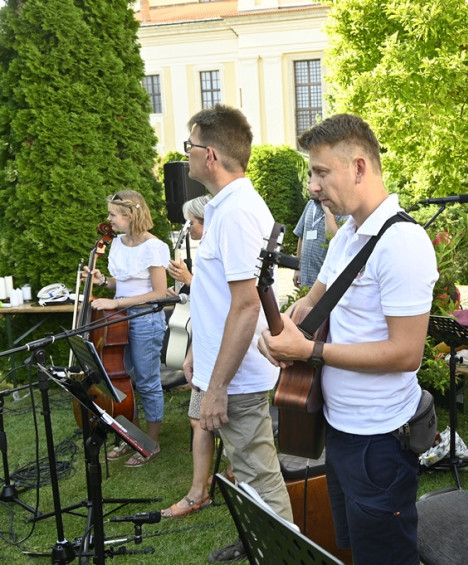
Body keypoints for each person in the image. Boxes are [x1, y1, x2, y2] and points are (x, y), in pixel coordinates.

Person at [258, 113, 438, 565]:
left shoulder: (403, 243)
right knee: (359, 549)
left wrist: (310, 351)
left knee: (386, 557)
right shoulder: (348, 236)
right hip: (340, 429)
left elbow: (406, 353)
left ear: (358, 167)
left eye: (320, 172)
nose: (312, 186)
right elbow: (311, 303)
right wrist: (280, 331)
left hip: (379, 441)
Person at [181, 105, 293, 562]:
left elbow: (248, 306)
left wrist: (218, 386)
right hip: (226, 370)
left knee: (260, 478)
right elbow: (217, 298)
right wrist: (198, 352)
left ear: (209, 155)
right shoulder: (226, 208)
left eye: (189, 147)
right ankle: (257, 543)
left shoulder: (236, 212)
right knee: (247, 477)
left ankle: (281, 553)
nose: (185, 155)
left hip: (238, 378)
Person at [84, 190, 170, 467]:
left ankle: (151, 443)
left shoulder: (154, 246)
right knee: (120, 381)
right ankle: (131, 437)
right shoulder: (118, 243)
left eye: (113, 214)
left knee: (146, 381)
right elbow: (121, 283)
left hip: (145, 320)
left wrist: (117, 301)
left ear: (130, 215)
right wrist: (102, 281)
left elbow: (159, 293)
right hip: (118, 320)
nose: (108, 219)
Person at [160, 194, 223, 519]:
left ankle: (213, 485)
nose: (190, 228)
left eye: (192, 222)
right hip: (206, 350)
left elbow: (222, 303)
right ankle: (201, 490)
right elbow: (201, 310)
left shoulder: (222, 249)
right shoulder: (206, 252)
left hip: (225, 356)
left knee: (217, 423)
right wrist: (190, 351)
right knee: (198, 419)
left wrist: (190, 282)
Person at [292, 176, 348, 288]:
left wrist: (327, 212)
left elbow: (337, 242)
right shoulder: (309, 205)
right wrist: (298, 268)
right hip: (305, 280)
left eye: (310, 183)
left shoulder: (341, 211)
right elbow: (301, 236)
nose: (307, 187)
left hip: (325, 284)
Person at [166, 194, 211, 292]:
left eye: (190, 223)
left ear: (205, 220)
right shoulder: (205, 247)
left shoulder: (218, 249)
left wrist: (188, 279)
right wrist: (182, 290)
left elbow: (219, 290)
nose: (188, 227)